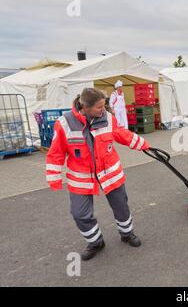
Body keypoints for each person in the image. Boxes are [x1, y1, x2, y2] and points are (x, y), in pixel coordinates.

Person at [46, 88, 150, 261]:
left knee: (121, 206)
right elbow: (56, 152)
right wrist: (54, 177)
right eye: (99, 107)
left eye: (104, 105)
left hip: (110, 173)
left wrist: (143, 144)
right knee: (79, 214)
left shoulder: (108, 118)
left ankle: (127, 233)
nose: (103, 109)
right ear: (85, 107)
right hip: (81, 178)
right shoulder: (64, 123)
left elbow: (122, 134)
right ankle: (95, 242)